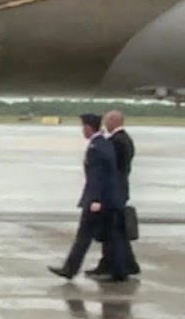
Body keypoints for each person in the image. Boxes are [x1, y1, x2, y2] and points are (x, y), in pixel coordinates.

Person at [48, 113, 129, 282]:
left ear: (88, 128)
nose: (82, 131)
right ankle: (119, 272)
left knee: (84, 235)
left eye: (83, 128)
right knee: (111, 236)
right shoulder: (103, 143)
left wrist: (96, 200)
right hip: (109, 199)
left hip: (99, 200)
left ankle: (70, 269)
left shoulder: (96, 147)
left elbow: (98, 176)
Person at [88, 110, 140, 278]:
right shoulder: (125, 139)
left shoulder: (116, 141)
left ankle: (116, 268)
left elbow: (110, 168)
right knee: (116, 231)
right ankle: (120, 264)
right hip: (119, 190)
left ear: (113, 122)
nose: (105, 124)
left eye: (107, 121)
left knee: (112, 232)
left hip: (113, 192)